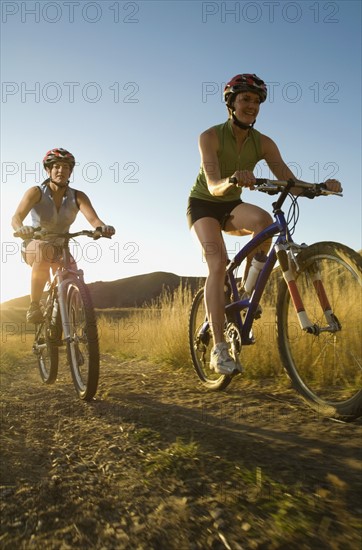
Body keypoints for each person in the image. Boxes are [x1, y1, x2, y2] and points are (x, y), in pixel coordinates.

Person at [187, 73, 342, 375]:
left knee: (264, 222)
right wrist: (233, 179)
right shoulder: (210, 136)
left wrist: (320, 187)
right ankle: (218, 350)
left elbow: (289, 181)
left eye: (256, 101)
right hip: (205, 203)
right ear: (231, 103)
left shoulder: (264, 143)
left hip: (231, 205)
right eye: (245, 99)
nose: (252, 105)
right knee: (217, 265)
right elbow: (214, 182)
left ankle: (245, 293)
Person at [11, 148, 115, 323]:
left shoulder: (78, 196)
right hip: (35, 243)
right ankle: (34, 305)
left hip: (61, 247)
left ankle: (71, 322)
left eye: (66, 167)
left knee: (73, 273)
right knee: (44, 251)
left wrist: (102, 228)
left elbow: (94, 219)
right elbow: (16, 217)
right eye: (57, 167)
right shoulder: (36, 192)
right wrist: (21, 228)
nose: (61, 171)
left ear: (70, 171)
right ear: (48, 170)